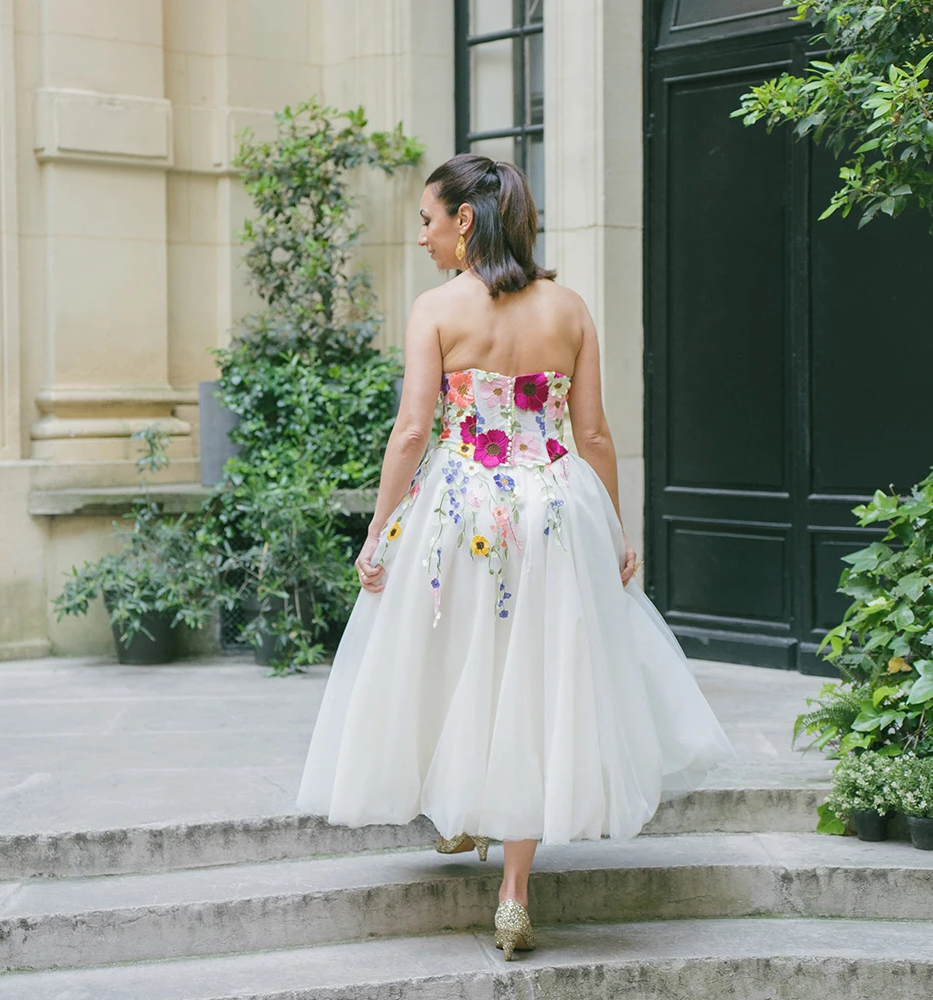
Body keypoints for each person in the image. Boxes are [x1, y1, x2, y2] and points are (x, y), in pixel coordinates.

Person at [296, 153, 734, 960]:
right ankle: (512, 897)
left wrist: (379, 527)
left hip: (462, 510)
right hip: (553, 509)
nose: (423, 237)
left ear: (465, 220)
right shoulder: (568, 308)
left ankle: (464, 814)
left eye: (429, 220)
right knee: (535, 678)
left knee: (462, 653)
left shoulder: (436, 309)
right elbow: (594, 434)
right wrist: (616, 529)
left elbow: (410, 432)